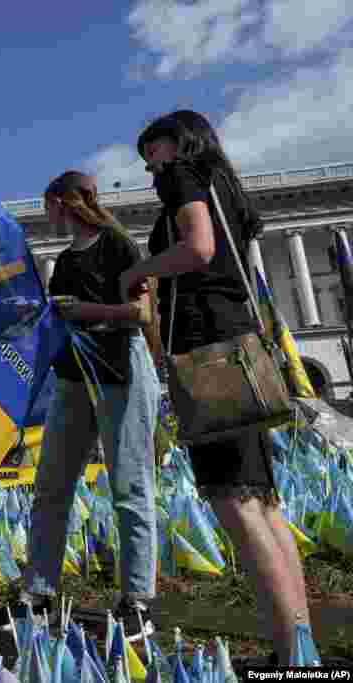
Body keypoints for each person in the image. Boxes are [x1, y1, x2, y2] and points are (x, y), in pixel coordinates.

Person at [119, 110, 310, 662]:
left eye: (151, 151)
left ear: (176, 143)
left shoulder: (182, 175)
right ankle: (299, 649)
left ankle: (292, 657)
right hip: (238, 340)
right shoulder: (228, 185)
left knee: (235, 503)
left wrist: (140, 272)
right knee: (262, 500)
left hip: (205, 350)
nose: (149, 166)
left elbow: (198, 249)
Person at [17, 171, 161, 631]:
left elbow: (141, 314)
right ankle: (37, 592)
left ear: (62, 202)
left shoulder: (118, 245)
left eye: (48, 206)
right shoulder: (61, 261)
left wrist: (84, 311)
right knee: (51, 486)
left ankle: (138, 600)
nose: (46, 216)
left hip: (121, 370)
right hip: (74, 377)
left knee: (129, 486)